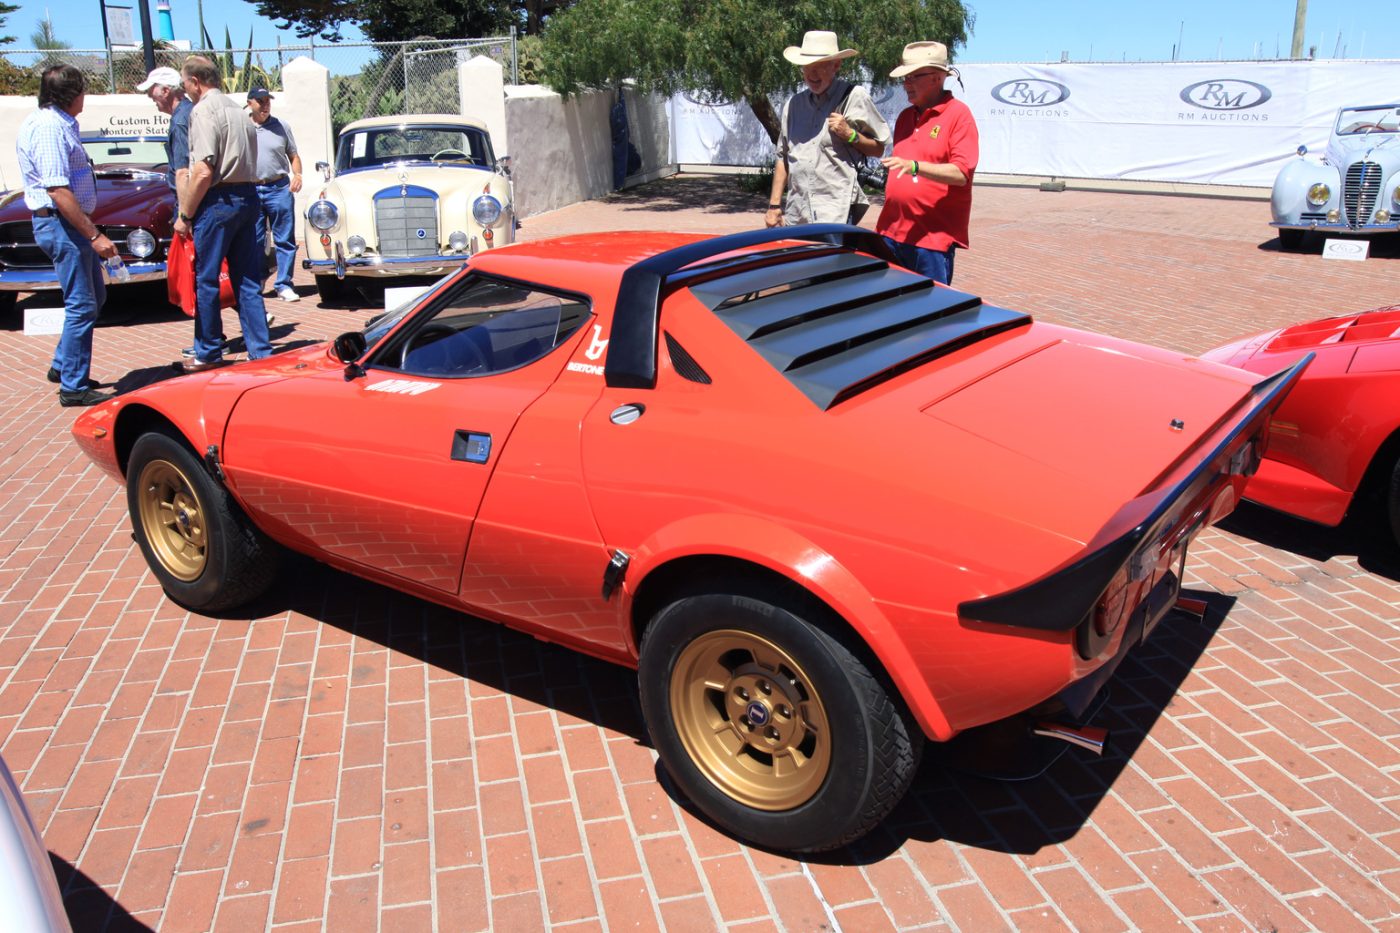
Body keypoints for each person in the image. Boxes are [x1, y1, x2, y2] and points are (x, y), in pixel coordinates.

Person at [17, 64, 117, 406]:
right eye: (83, 90)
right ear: (71, 95)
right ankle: (73, 387)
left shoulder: (58, 124)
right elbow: (58, 189)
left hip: (66, 225)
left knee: (94, 298)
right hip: (62, 226)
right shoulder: (48, 128)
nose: (84, 96)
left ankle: (63, 365)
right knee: (82, 304)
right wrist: (93, 236)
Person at [173, 56, 274, 372]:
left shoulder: (203, 111)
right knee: (247, 279)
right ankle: (260, 349)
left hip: (218, 200)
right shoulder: (239, 110)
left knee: (206, 278)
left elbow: (203, 169)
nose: (185, 89)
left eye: (185, 83)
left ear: (195, 81)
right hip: (247, 196)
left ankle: (208, 351)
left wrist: (185, 214)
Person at [875, 42, 980, 285]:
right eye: (905, 78)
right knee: (890, 309)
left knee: (930, 314)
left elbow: (960, 172)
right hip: (890, 234)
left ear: (937, 77)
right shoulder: (905, 117)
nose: (906, 84)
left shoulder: (959, 116)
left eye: (913, 77)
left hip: (930, 242)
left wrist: (915, 166)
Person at [766, 30, 889, 229]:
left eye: (820, 66)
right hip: (796, 213)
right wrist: (774, 206)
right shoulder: (794, 104)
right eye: (807, 66)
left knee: (830, 261)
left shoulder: (854, 96)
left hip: (834, 214)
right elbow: (783, 156)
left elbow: (878, 148)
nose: (812, 74)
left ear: (836, 65)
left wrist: (851, 135)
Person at [245, 86, 303, 302]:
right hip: (251, 189)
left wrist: (297, 175)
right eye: (260, 101)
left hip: (278, 188)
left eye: (268, 100)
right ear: (250, 103)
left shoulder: (281, 126)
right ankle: (259, 279)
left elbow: (294, 155)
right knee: (255, 241)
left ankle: (284, 284)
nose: (265, 104)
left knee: (284, 239)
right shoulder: (243, 127)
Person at [137, 66, 192, 200]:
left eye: (152, 89)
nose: (149, 95)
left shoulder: (180, 120)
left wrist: (184, 215)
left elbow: (184, 171)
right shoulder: (187, 112)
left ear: (166, 91)